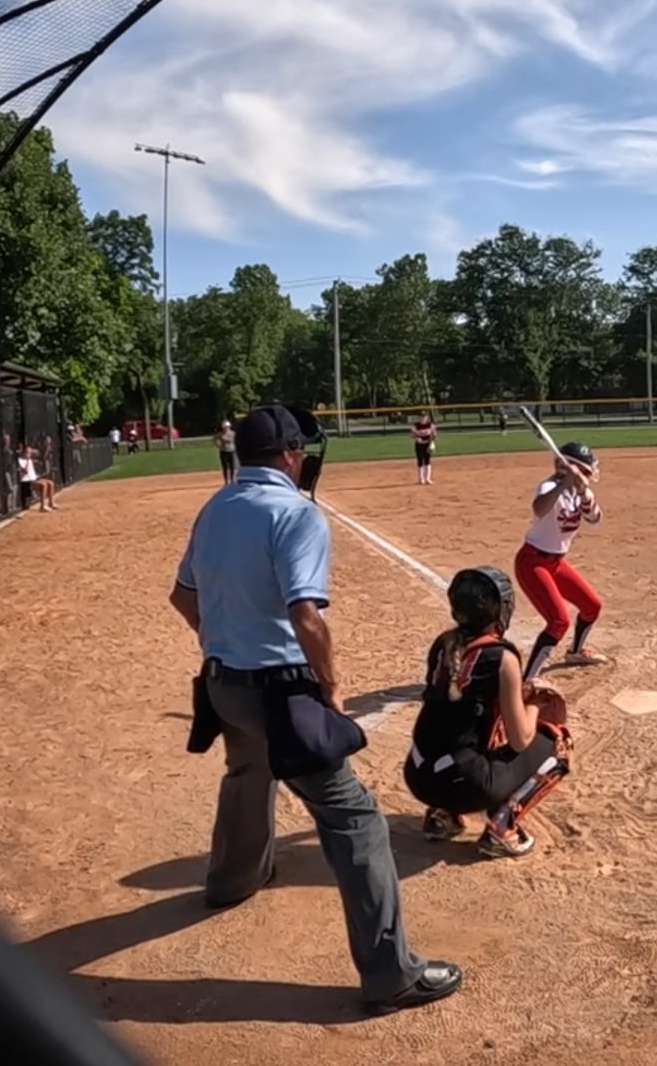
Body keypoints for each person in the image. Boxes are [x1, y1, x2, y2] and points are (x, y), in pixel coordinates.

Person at [168, 404, 462, 1015]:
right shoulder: (296, 512)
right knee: (354, 818)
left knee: (247, 772)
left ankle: (233, 880)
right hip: (278, 692)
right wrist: (330, 688)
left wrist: (222, 644)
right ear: (289, 455)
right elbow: (305, 615)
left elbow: (182, 596)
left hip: (223, 686)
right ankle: (391, 975)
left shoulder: (216, 505)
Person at [405, 567, 572, 858]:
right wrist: (534, 705)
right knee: (559, 744)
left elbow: (458, 704)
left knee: (465, 731)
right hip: (464, 783)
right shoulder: (502, 657)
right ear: (501, 610)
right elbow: (520, 740)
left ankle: (442, 815)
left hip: (418, 776)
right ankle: (502, 826)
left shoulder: (443, 644)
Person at [515, 442, 609, 685]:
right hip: (533, 562)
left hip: (556, 563)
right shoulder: (549, 487)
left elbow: (595, 519)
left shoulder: (582, 492)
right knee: (559, 621)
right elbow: (539, 508)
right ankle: (529, 679)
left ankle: (575, 651)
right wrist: (564, 484)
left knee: (592, 605)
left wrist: (582, 491)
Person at [16, 446, 56, 512]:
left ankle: (51, 503)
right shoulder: (20, 460)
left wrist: (36, 476)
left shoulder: (30, 460)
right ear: (23, 453)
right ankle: (42, 506)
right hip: (26, 481)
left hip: (34, 478)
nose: (29, 454)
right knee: (43, 485)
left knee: (50, 483)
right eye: (27, 452)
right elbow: (25, 471)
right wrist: (28, 460)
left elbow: (38, 454)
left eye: (30, 453)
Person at [411, 413, 437, 485]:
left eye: (424, 417)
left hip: (427, 444)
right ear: (418, 418)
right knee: (420, 461)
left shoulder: (430, 425)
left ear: (426, 417)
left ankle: (428, 478)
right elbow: (412, 435)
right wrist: (416, 438)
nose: (422, 418)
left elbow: (434, 435)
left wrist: (432, 440)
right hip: (419, 445)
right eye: (420, 417)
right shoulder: (415, 426)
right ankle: (421, 479)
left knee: (427, 460)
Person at [214, 421, 237, 485]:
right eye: (225, 427)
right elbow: (215, 439)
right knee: (225, 467)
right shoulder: (220, 434)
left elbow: (237, 440)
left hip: (231, 451)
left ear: (229, 427)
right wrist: (218, 446)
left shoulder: (233, 433)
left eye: (227, 427)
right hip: (224, 452)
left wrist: (235, 446)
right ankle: (226, 481)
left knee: (232, 466)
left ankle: (232, 480)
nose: (226, 428)